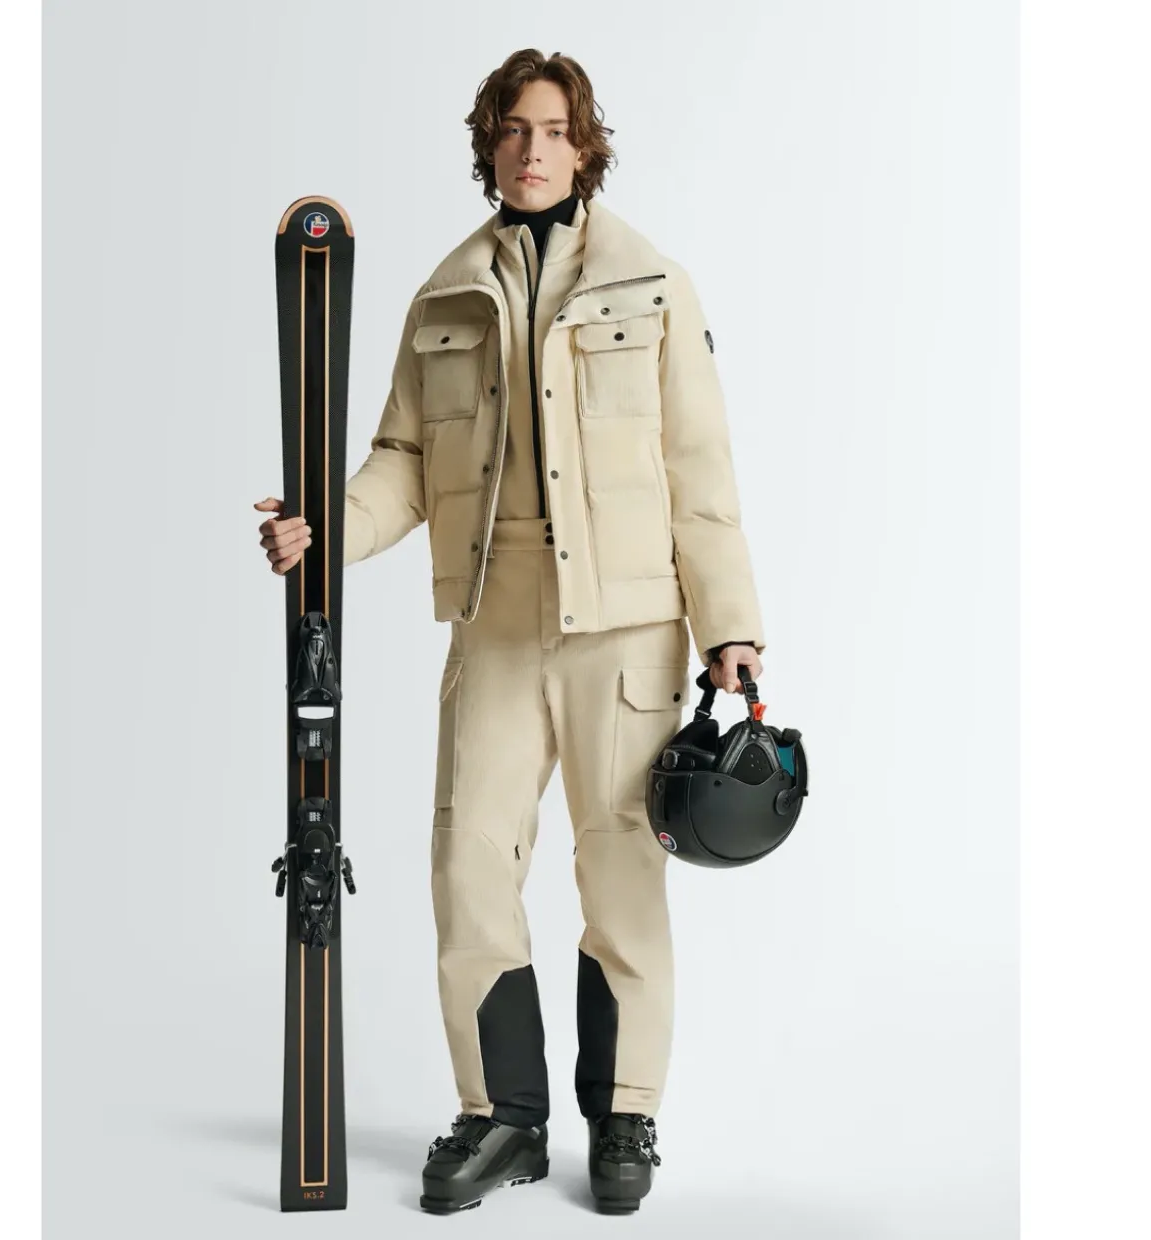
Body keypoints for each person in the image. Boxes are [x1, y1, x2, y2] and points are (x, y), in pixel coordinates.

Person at [254, 48, 766, 1215]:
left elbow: (700, 470)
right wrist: (322, 527)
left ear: (586, 148)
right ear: (488, 144)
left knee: (620, 871)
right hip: (493, 621)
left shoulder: (653, 285)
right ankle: (502, 1117)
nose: (533, 150)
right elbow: (400, 462)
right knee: (467, 864)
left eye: (554, 131)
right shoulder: (444, 295)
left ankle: (623, 1115)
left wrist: (730, 625)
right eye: (513, 130)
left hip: (627, 628)